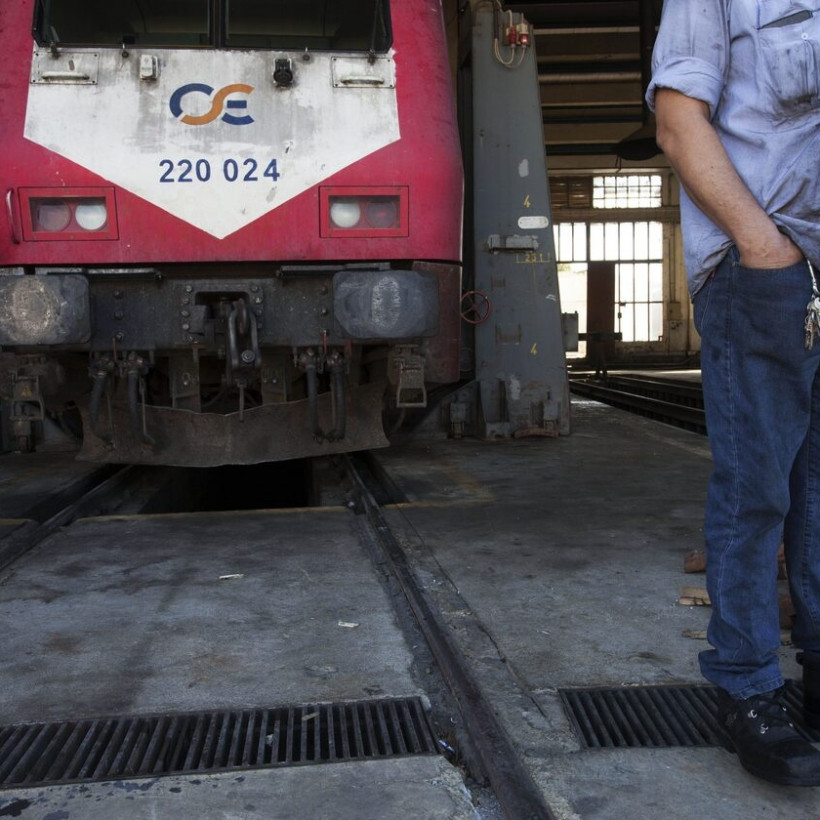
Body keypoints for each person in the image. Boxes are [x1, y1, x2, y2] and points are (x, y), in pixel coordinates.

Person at [647, 0, 820, 786]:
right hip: (767, 272)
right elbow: (678, 123)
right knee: (758, 490)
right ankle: (748, 686)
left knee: (816, 488)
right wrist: (762, 248)